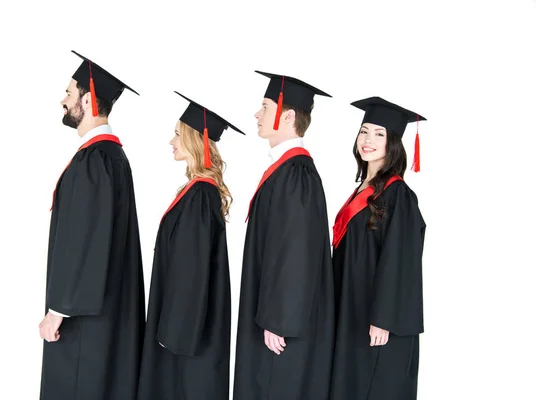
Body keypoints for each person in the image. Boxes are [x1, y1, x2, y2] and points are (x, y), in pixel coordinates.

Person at [39, 50, 145, 400]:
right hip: (108, 314)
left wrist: (57, 311)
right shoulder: (115, 158)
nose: (63, 101)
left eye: (69, 93)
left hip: (82, 321)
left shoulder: (94, 160)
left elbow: (82, 240)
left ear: (87, 99)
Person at [233, 71, 335, 400]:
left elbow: (297, 251)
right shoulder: (287, 171)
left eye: (264, 107)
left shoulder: (297, 175)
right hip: (271, 316)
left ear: (287, 116)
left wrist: (279, 319)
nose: (256, 115)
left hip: (281, 328)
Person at [137, 91, 244, 400]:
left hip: (185, 333)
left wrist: (174, 335)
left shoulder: (200, 195)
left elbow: (192, 269)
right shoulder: (197, 192)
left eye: (177, 134)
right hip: (184, 324)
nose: (171, 141)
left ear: (195, 141)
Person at [330, 96, 426, 400]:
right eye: (364, 131)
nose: (368, 139)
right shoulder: (360, 190)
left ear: (393, 143)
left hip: (377, 319)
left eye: (379, 134)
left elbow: (401, 260)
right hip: (352, 310)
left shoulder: (399, 196)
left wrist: (383, 319)